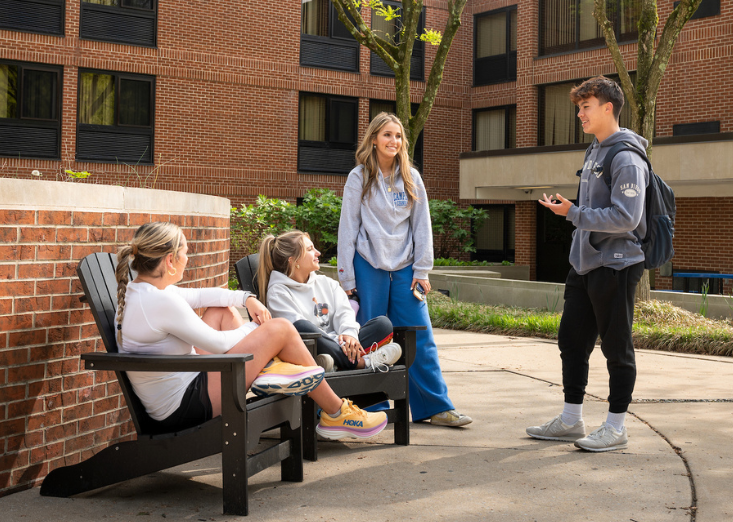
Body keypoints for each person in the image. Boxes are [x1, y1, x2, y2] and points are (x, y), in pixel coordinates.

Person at [114, 221, 388, 441]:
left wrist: (246, 298)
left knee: (220, 311)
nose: (188, 259)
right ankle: (336, 412)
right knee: (281, 328)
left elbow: (201, 296)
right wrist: (257, 328)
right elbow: (219, 344)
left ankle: (272, 370)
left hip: (186, 387)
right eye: (185, 253)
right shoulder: (160, 301)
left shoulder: (143, 292)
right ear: (170, 260)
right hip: (185, 406)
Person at [527, 76, 648, 452]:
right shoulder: (594, 151)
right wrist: (573, 212)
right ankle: (570, 420)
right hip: (584, 263)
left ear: (608, 108)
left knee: (616, 348)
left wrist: (573, 213)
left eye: (586, 107)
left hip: (615, 264)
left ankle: (616, 427)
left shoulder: (626, 158)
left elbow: (627, 217)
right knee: (572, 341)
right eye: (579, 107)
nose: (579, 114)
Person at [336, 112, 472, 427]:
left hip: (406, 269)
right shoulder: (359, 177)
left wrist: (422, 270)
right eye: (387, 135)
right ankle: (374, 409)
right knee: (371, 339)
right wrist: (346, 277)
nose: (393, 141)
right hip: (367, 265)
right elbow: (348, 228)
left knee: (420, 336)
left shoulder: (411, 177)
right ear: (373, 139)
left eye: (398, 136)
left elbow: (422, 226)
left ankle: (436, 407)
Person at [255, 230, 402, 373]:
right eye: (310, 249)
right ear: (294, 260)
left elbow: (345, 312)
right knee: (301, 326)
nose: (318, 253)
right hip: (310, 350)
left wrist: (349, 334)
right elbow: (293, 334)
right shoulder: (278, 292)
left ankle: (334, 363)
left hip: (337, 345)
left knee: (383, 324)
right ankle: (363, 363)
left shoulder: (327, 283)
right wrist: (337, 343)